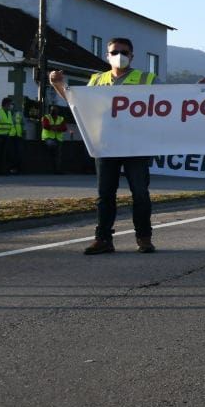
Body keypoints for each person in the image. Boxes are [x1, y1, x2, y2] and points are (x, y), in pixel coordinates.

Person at [50, 37, 158, 255]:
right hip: (106, 144)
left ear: (132, 55)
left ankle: (144, 238)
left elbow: (175, 101)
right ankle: (103, 239)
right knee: (105, 195)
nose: (120, 56)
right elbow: (78, 104)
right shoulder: (97, 80)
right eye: (115, 52)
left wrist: (200, 92)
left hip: (136, 145)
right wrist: (57, 85)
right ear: (107, 56)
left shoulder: (147, 78)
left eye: (125, 52)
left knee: (140, 193)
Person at [39, 103, 69, 174]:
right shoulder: (46, 117)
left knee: (58, 154)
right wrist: (57, 127)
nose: (54, 111)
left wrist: (53, 127)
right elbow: (45, 126)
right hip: (48, 138)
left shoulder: (61, 118)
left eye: (55, 110)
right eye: (52, 110)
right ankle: (53, 169)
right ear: (50, 110)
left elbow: (64, 128)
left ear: (58, 111)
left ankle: (57, 170)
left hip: (58, 139)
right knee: (52, 146)